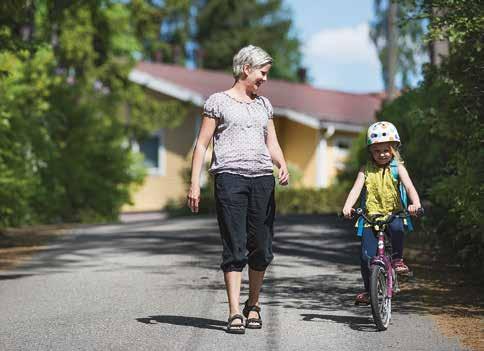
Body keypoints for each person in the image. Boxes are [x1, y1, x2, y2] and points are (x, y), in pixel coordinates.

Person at [187, 45, 289, 333]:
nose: (265, 79)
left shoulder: (264, 105)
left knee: (262, 247)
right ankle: (234, 312)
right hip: (229, 179)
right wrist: (194, 182)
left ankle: (253, 304)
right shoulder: (218, 102)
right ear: (246, 69)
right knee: (235, 246)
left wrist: (281, 163)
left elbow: (272, 143)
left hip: (262, 180)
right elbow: (202, 144)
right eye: (262, 73)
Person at [342, 121, 421, 304]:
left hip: (394, 212)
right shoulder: (365, 170)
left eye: (386, 150)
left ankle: (397, 260)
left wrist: (415, 203)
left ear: (393, 149)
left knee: (397, 228)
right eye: (376, 151)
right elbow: (355, 190)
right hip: (371, 217)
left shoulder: (398, 168)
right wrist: (347, 206)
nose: (382, 154)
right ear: (370, 151)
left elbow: (409, 187)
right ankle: (369, 290)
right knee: (365, 256)